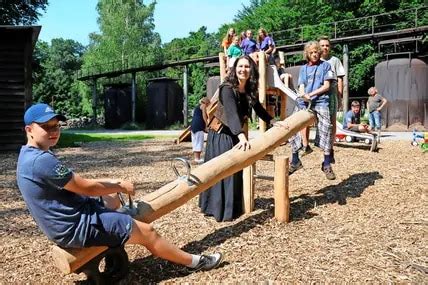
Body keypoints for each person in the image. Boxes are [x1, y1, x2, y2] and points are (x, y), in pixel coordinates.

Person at [16, 103, 222, 272]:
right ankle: (196, 262)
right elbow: (86, 188)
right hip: (75, 227)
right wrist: (120, 184)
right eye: (46, 127)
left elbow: (76, 186)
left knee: (112, 199)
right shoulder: (42, 161)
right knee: (147, 231)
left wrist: (113, 188)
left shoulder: (28, 155)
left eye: (56, 126)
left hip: (68, 218)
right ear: (29, 130)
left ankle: (119, 226)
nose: (54, 131)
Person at [199, 55, 278, 222]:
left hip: (235, 135)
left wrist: (273, 122)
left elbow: (258, 108)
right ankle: (218, 209)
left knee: (234, 172)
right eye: (240, 66)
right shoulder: (227, 88)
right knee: (222, 171)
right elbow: (232, 114)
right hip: (221, 135)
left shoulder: (248, 89)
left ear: (251, 70)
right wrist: (242, 137)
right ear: (235, 69)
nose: (244, 70)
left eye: (247, 67)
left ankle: (232, 208)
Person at [289, 41, 336, 180]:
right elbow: (302, 84)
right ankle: (295, 159)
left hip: (321, 101)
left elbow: (327, 86)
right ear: (307, 54)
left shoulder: (326, 66)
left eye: (316, 52)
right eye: (311, 52)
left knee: (326, 127)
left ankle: (326, 163)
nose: (314, 54)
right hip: (305, 102)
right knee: (292, 126)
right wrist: (304, 94)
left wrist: (312, 94)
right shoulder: (303, 68)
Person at [319, 36, 345, 163]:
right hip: (318, 93)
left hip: (332, 91)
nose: (325, 47)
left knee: (332, 121)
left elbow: (340, 78)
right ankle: (307, 145)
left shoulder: (335, 60)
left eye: (327, 45)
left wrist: (340, 97)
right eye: (322, 45)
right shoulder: (315, 60)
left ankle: (331, 147)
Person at [191, 97, 209, 164]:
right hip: (198, 126)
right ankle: (197, 159)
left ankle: (196, 158)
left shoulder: (197, 107)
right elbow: (204, 116)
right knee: (199, 142)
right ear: (205, 102)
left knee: (195, 142)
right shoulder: (203, 106)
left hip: (194, 126)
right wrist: (207, 125)